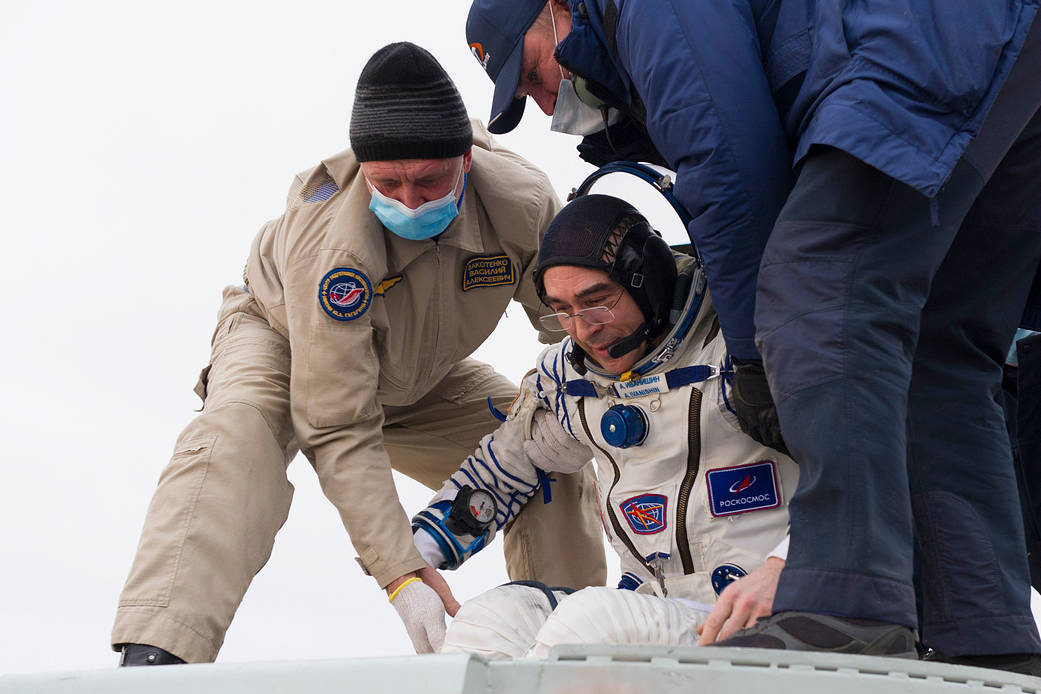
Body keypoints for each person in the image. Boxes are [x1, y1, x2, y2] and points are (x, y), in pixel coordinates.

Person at [464, 0, 1041, 674]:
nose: (543, 104)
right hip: (1005, 58)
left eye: (533, 74)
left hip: (928, 42)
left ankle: (844, 600)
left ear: (556, 7)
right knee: (938, 352)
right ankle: (985, 630)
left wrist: (754, 357)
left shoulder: (647, 12)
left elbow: (731, 172)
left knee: (813, 280)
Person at [111, 42, 605, 665]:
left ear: (466, 159)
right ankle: (158, 657)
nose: (409, 200)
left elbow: (576, 332)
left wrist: (592, 416)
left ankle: (569, 653)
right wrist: (400, 572)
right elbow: (338, 421)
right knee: (236, 441)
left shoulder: (523, 205)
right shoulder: (330, 248)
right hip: (284, 343)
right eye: (387, 183)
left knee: (547, 449)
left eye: (429, 180)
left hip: (418, 374)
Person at [409, 193, 800, 658]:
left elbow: (861, 470)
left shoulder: (744, 349)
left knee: (588, 627)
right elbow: (502, 473)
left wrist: (790, 564)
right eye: (563, 309)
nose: (582, 329)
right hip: (657, 612)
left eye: (596, 302)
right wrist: (412, 563)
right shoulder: (572, 383)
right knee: (487, 626)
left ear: (649, 280)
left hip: (770, 614)